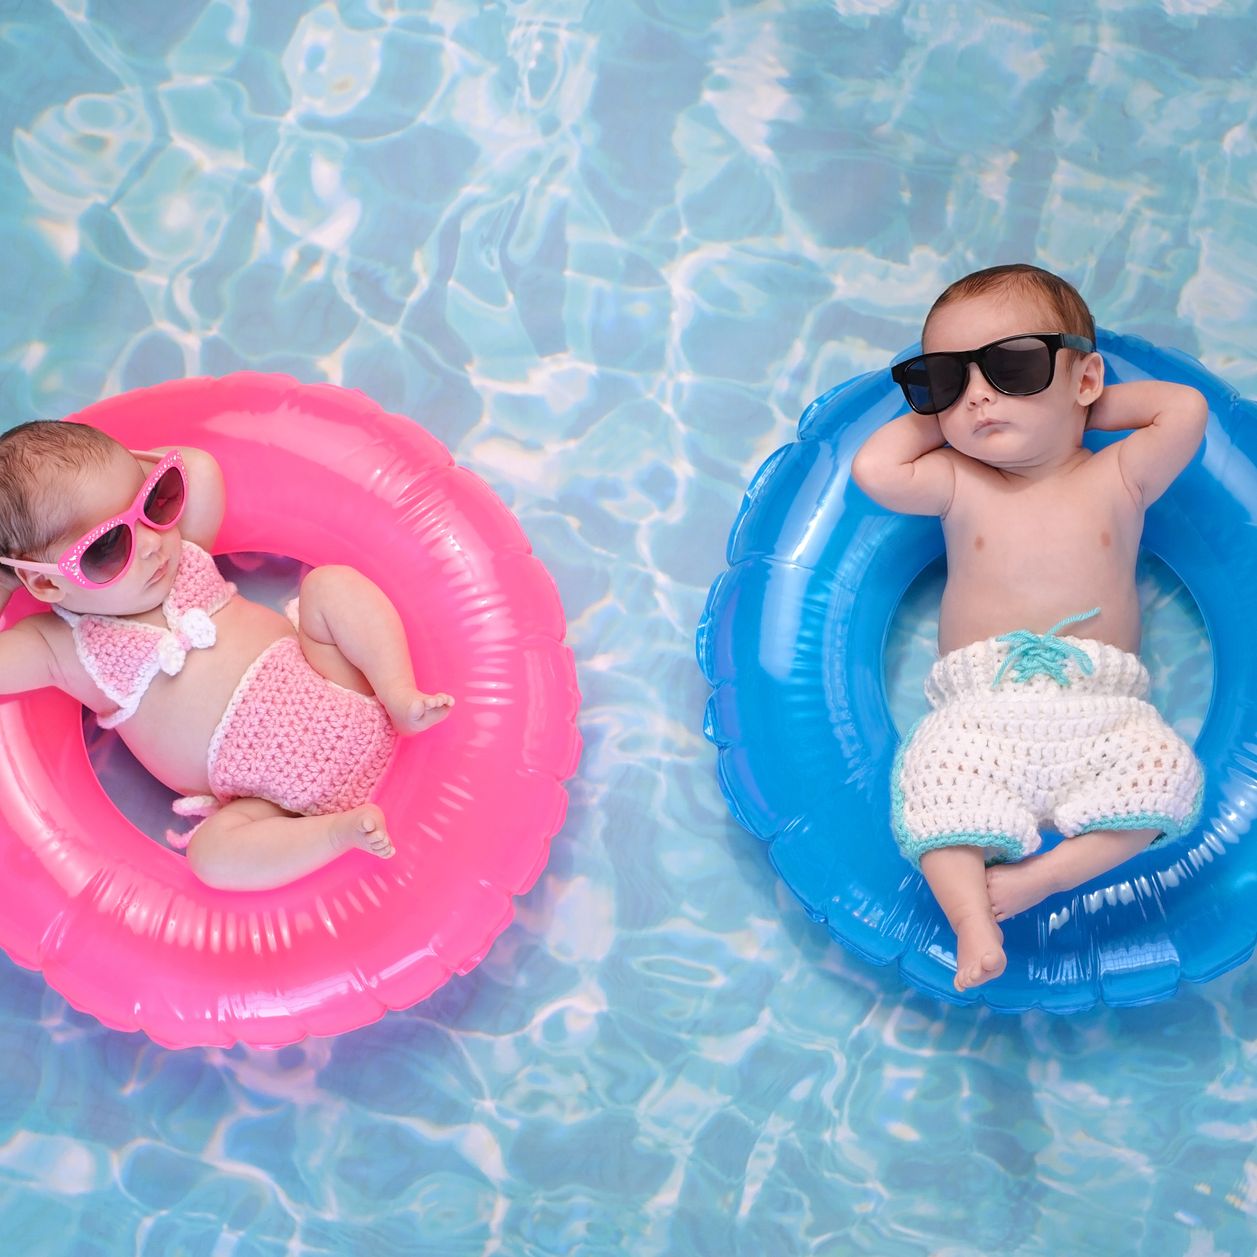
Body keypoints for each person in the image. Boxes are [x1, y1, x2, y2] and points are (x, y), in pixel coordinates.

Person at [851, 263, 1207, 992]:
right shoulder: (960, 481)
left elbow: (1184, 409)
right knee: (932, 786)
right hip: (979, 707)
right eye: (945, 379)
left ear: (1085, 378)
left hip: (1100, 705)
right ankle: (971, 921)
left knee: (1166, 778)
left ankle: (1039, 880)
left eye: (1012, 366)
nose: (979, 393)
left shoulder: (1119, 477)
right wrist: (954, 415)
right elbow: (874, 467)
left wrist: (1084, 407)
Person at [0, 421, 454, 891]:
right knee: (211, 857)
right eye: (108, 547)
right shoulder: (62, 649)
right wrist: (8, 578)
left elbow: (198, 465)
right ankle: (335, 833)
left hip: (339, 683)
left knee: (332, 585)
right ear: (47, 582)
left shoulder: (188, 552)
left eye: (155, 502)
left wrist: (123, 481)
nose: (153, 543)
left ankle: (398, 694)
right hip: (271, 803)